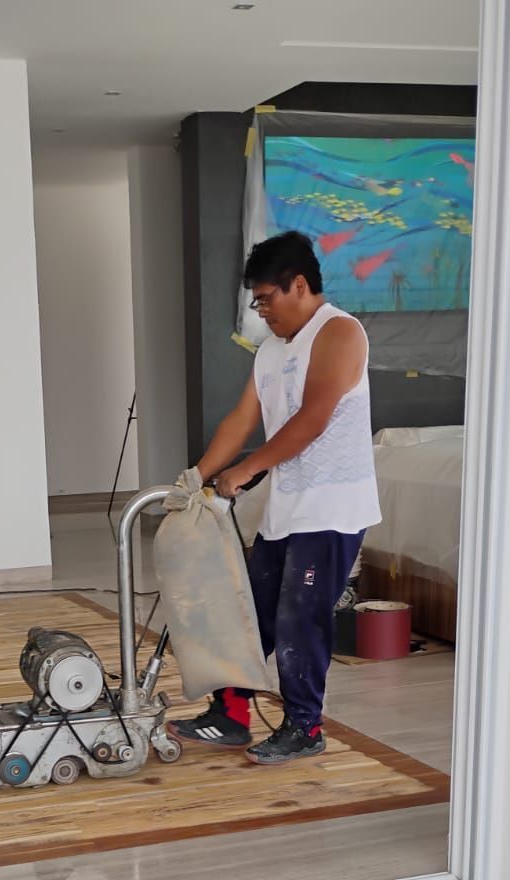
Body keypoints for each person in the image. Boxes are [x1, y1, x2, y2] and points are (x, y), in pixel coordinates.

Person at [170, 230, 381, 764]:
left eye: (267, 298)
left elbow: (312, 420)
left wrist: (245, 471)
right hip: (286, 510)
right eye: (256, 300)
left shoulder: (339, 334)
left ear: (300, 285)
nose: (261, 310)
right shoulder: (270, 351)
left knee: (299, 620)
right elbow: (242, 420)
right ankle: (231, 716)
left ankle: (305, 728)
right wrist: (195, 476)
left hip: (333, 510)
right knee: (250, 613)